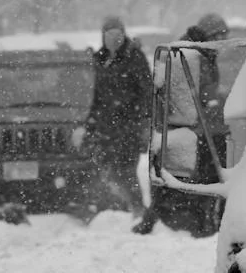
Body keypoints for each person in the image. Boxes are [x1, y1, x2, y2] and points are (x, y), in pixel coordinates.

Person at [135, 13, 230, 235]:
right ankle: (203, 223)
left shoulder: (198, 51)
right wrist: (216, 102)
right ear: (211, 35)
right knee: (205, 175)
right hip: (194, 128)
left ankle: (203, 221)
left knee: (194, 176)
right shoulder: (189, 55)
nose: (223, 42)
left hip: (195, 126)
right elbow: (191, 95)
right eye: (221, 36)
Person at [83, 15, 153, 222]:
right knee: (106, 172)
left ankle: (137, 210)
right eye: (109, 34)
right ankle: (116, 210)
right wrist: (90, 123)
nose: (114, 38)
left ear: (123, 34)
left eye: (117, 33)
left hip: (128, 127)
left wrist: (143, 121)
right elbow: (95, 95)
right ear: (103, 36)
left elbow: (146, 91)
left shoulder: (134, 57)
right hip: (105, 128)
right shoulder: (100, 60)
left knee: (126, 170)